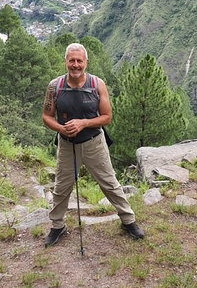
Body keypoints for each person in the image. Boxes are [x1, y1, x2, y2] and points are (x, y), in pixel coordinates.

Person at [42, 42, 145, 247]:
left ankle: (128, 220)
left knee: (109, 182)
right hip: (66, 144)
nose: (76, 65)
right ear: (66, 61)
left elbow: (107, 117)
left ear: (86, 62)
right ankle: (57, 225)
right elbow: (46, 116)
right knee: (62, 186)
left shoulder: (97, 84)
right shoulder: (55, 86)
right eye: (72, 60)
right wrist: (62, 129)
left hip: (94, 143)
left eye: (79, 60)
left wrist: (83, 123)